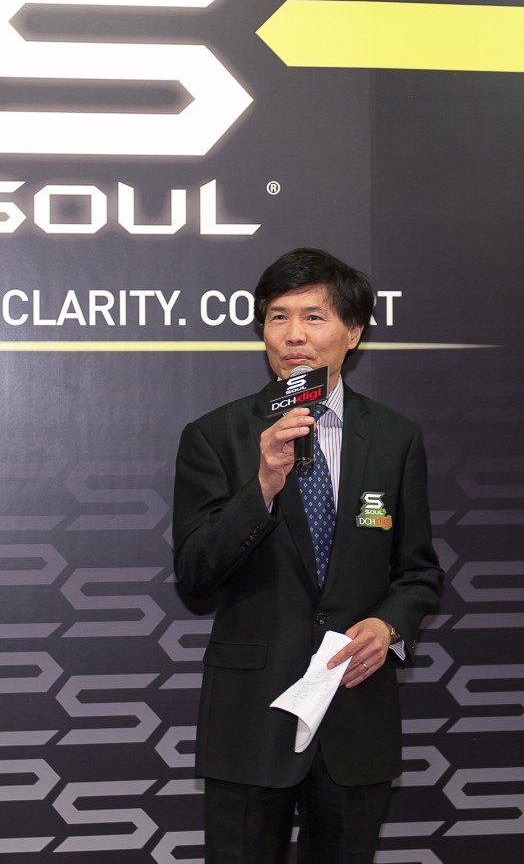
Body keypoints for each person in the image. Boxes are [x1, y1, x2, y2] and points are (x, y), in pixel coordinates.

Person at [172, 248, 445, 864]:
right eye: (278, 317)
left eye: (314, 317)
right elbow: (194, 572)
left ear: (353, 332)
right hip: (251, 717)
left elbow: (419, 571)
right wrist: (263, 484)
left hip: (355, 712)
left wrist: (388, 626)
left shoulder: (395, 439)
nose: (293, 335)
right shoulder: (216, 436)